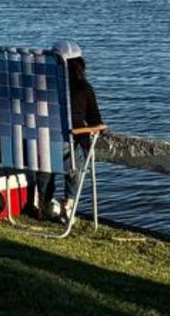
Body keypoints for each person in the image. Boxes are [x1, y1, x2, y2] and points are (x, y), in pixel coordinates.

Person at [34, 39, 105, 221]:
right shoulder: (84, 88)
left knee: (46, 151)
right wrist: (100, 128)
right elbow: (96, 121)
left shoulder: (38, 86)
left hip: (35, 149)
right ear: (79, 64)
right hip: (68, 149)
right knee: (77, 154)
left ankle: (46, 200)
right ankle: (69, 202)